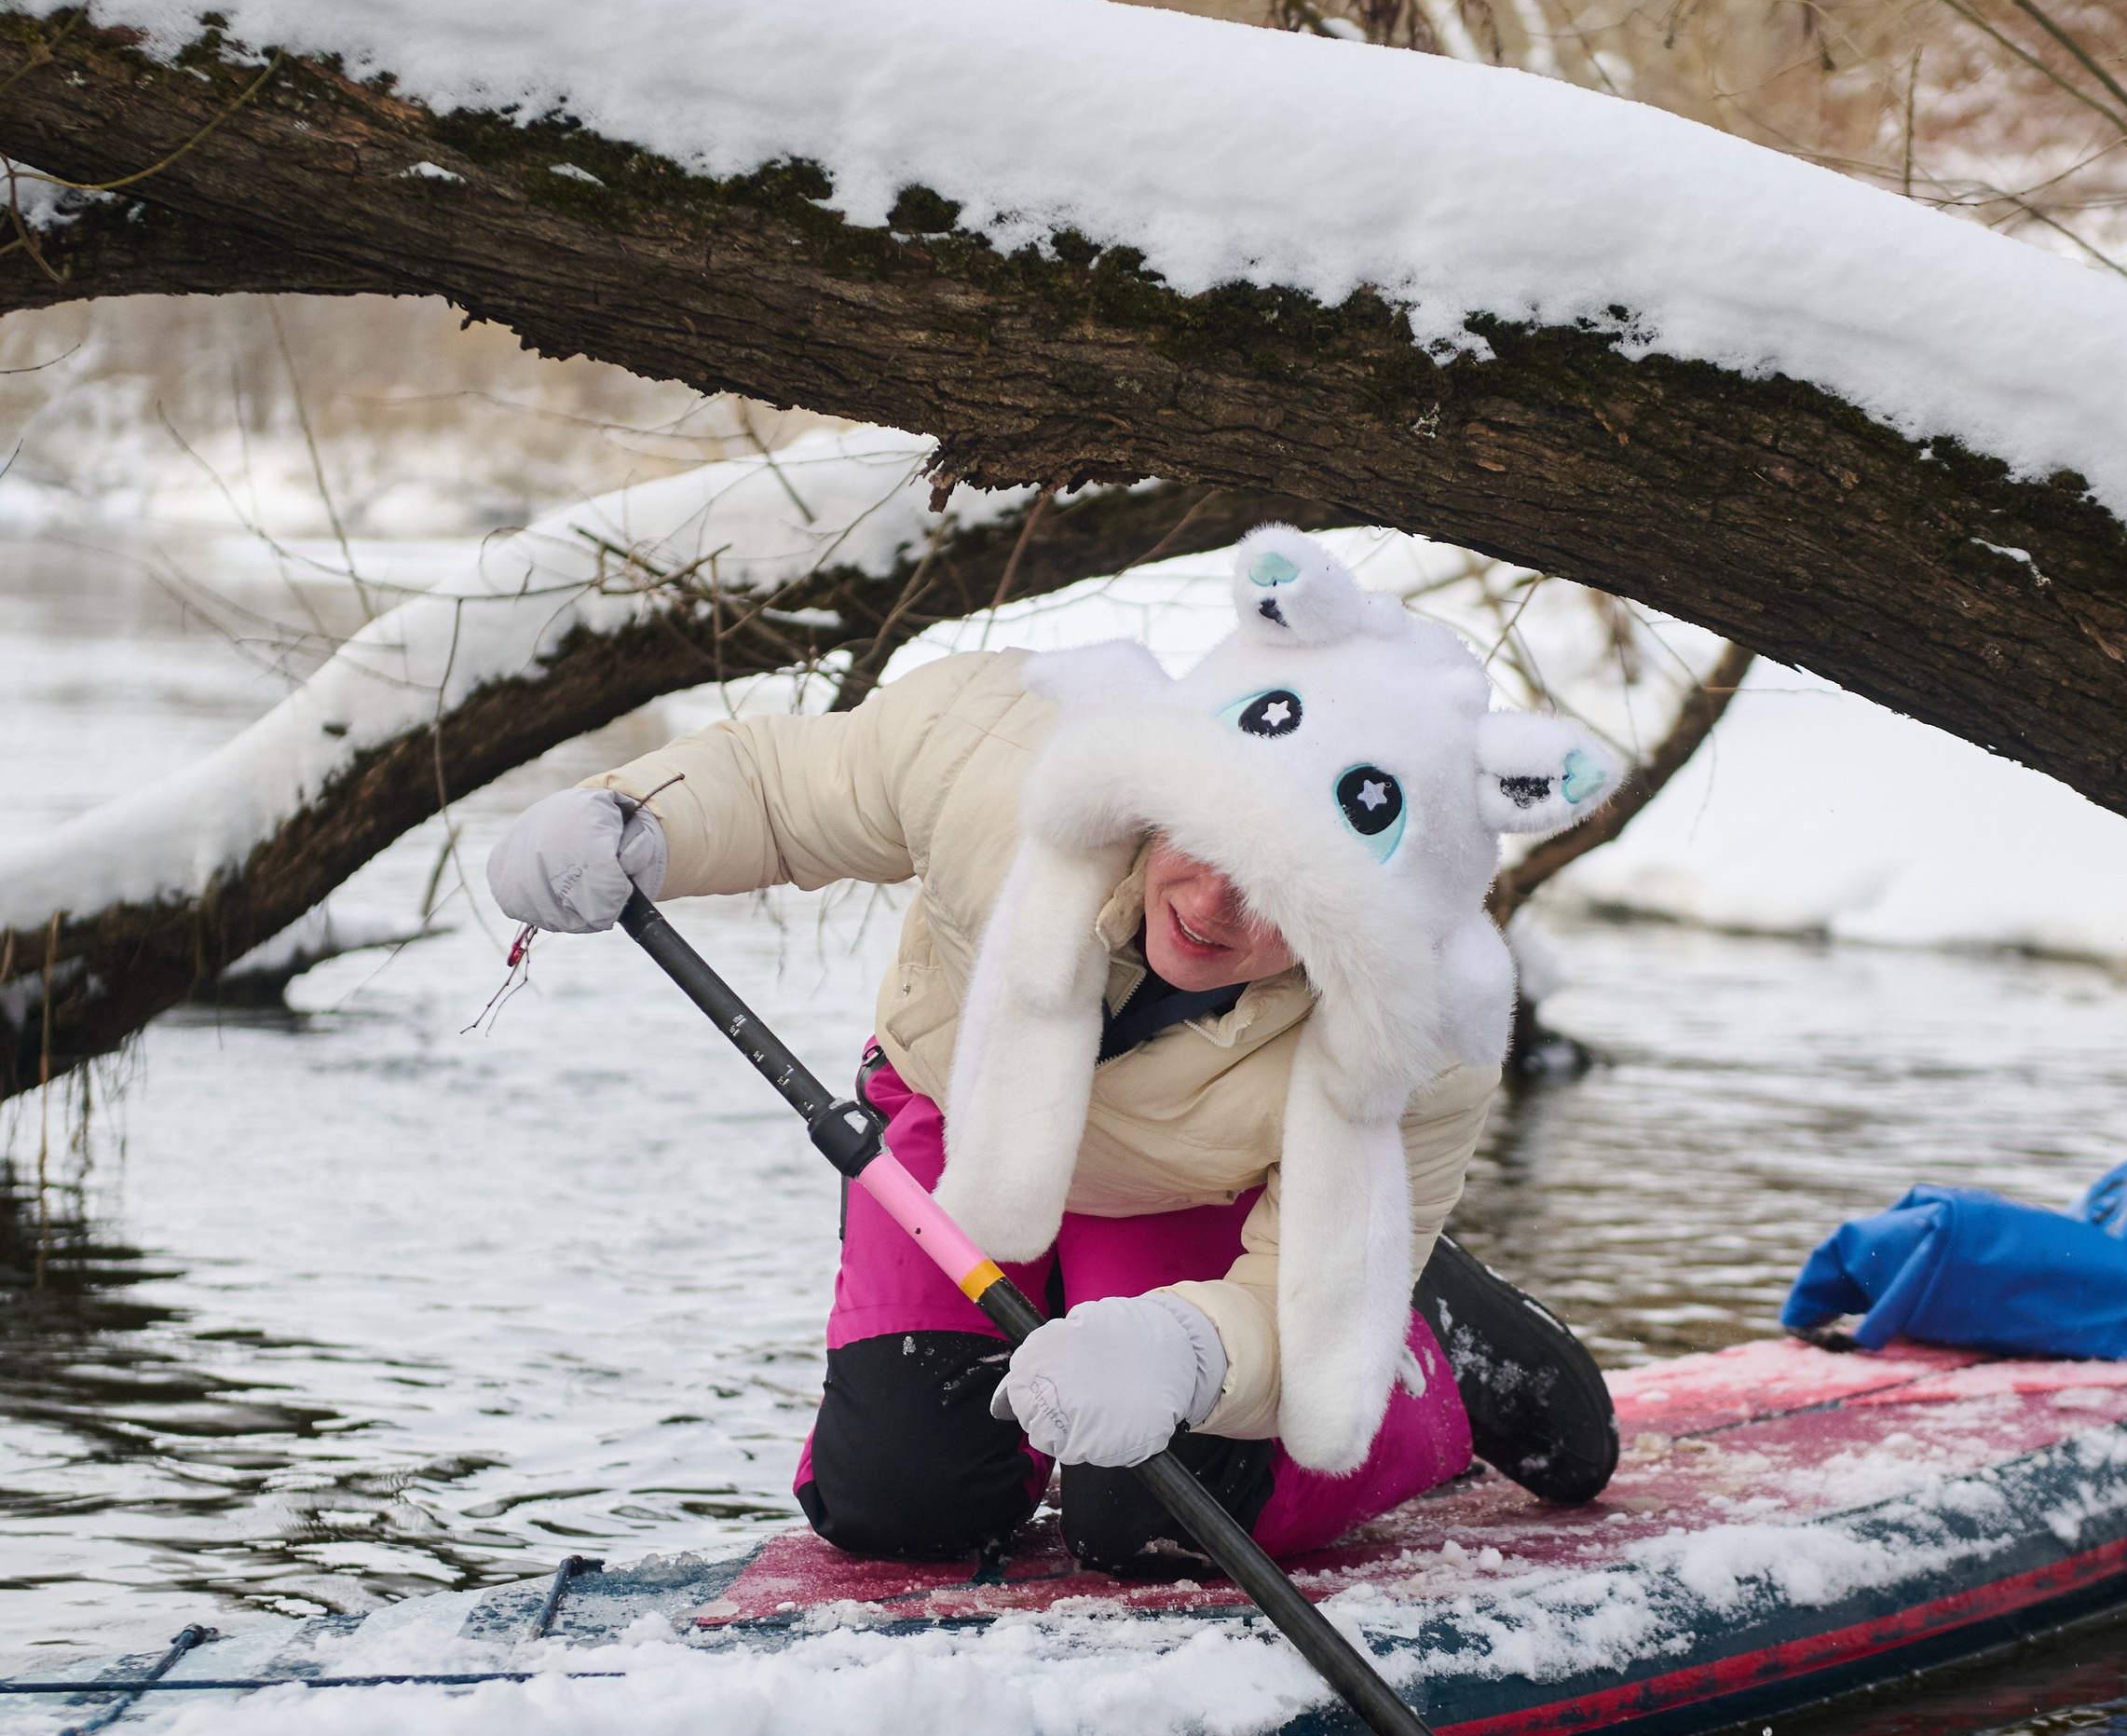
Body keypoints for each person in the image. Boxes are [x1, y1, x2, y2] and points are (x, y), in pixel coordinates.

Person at [488, 526, 1621, 1575]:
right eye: (1205, 840)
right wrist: (637, 817)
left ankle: (1423, 1354)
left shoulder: (1414, 1031)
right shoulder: (995, 749)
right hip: (961, 1115)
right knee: (903, 1510)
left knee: (1147, 1517)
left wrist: (1177, 1352)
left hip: (1197, 1196)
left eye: (1286, 903)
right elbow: (792, 788)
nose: (1214, 907)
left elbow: (1292, 1302)